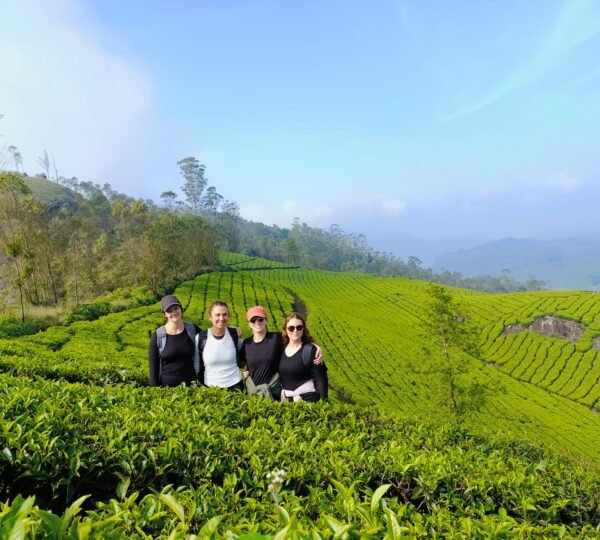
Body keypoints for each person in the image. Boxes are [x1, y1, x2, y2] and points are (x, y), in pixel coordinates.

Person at [240, 306, 324, 400]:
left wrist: (315, 346)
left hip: (273, 391)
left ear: (266, 320)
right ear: (249, 324)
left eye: (260, 319)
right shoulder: (247, 343)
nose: (257, 322)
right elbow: (241, 362)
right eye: (253, 320)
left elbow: (294, 338)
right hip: (253, 391)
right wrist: (246, 371)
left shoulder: (276, 338)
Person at [149, 295, 200, 387]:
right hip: (166, 388)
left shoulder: (192, 329)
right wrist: (155, 390)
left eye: (176, 308)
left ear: (181, 309)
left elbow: (209, 339)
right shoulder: (157, 336)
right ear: (164, 314)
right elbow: (153, 367)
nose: (174, 312)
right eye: (169, 311)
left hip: (192, 387)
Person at [279, 312, 328, 402]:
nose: (295, 331)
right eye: (291, 328)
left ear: (303, 329)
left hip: (308, 400)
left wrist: (324, 404)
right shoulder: (281, 349)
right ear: (286, 330)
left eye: (299, 327)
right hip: (286, 401)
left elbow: (321, 380)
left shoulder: (311, 351)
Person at [198, 300, 244, 392]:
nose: (221, 318)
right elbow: (196, 365)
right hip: (210, 386)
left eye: (224, 314)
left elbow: (243, 355)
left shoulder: (234, 334)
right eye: (217, 315)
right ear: (210, 317)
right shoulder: (201, 337)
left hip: (235, 385)